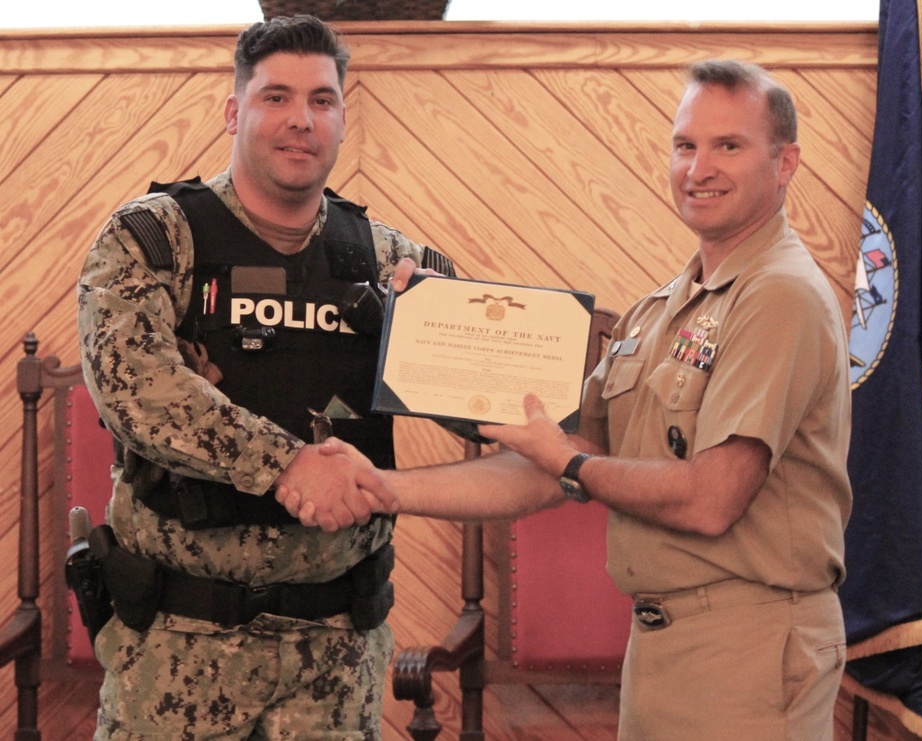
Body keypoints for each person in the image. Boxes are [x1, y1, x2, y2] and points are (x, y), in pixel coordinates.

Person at [282, 59, 853, 739]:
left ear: (785, 163)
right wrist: (386, 482)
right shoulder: (662, 309)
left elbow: (711, 497)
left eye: (729, 146)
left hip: (749, 650)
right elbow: (545, 459)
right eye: (685, 145)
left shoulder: (778, 295)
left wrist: (571, 465)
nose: (700, 167)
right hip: (666, 646)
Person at [77, 14, 453, 739]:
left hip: (335, 667)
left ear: (343, 118)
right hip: (178, 662)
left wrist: (564, 416)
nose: (301, 121)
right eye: (276, 97)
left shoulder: (390, 261)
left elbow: (484, 379)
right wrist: (286, 464)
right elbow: (135, 387)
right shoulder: (153, 238)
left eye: (322, 100)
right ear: (233, 110)